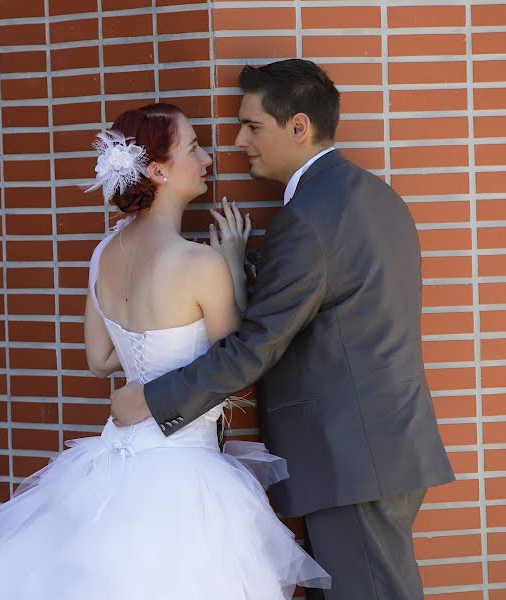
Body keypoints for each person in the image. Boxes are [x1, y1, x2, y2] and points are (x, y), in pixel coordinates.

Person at [0, 102, 330, 600]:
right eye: (194, 148)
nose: (207, 158)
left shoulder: (105, 252)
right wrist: (231, 265)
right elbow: (236, 367)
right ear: (159, 170)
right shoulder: (198, 262)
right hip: (185, 471)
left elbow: (99, 359)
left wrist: (151, 357)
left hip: (111, 463)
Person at [110, 60, 455, 599]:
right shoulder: (368, 195)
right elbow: (328, 308)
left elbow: (257, 347)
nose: (238, 140)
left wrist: (154, 402)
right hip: (376, 448)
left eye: (252, 127)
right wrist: (242, 269)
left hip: (349, 458)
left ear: (298, 127)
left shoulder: (311, 217)